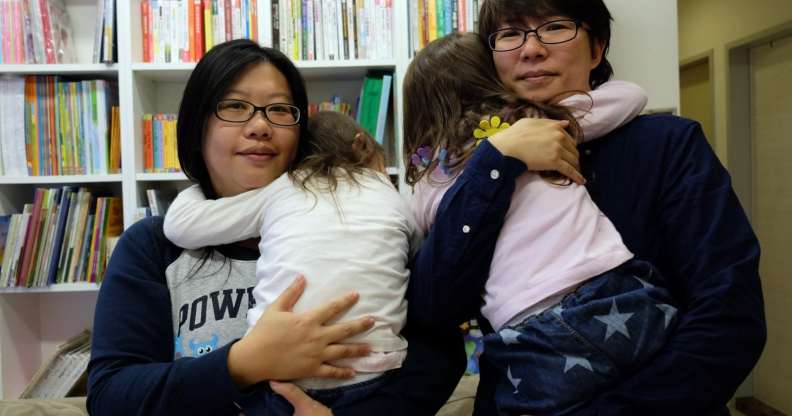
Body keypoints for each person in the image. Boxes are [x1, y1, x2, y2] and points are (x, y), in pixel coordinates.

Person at [411, 1, 765, 414]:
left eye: (555, 27)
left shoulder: (668, 143)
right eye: (510, 34)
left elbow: (728, 317)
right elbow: (435, 308)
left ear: (596, 49)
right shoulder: (467, 168)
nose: (531, 49)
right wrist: (495, 162)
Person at [85, 39, 467, 416]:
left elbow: (440, 354)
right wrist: (243, 363)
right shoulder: (153, 246)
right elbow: (111, 396)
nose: (260, 126)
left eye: (280, 110)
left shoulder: (366, 223)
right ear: (196, 127)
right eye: (235, 106)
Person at [404, 31, 673, 415]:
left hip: (530, 328)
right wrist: (533, 106)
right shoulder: (539, 124)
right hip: (614, 291)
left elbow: (422, 249)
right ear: (490, 76)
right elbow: (631, 96)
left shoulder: (429, 181)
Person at [161, 110, 418, 414]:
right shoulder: (390, 194)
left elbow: (180, 226)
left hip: (282, 378)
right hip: (374, 373)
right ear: (360, 144)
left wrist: (201, 182)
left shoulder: (285, 186)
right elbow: (415, 251)